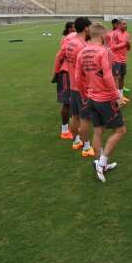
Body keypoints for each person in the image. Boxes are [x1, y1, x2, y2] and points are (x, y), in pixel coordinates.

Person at [75, 23, 125, 182]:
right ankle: (102, 163)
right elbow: (108, 76)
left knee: (98, 131)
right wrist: (117, 95)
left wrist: (84, 94)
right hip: (105, 98)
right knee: (120, 131)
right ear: (102, 36)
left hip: (91, 98)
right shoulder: (104, 51)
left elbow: (78, 78)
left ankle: (101, 163)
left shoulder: (81, 52)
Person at [54, 17, 93, 155]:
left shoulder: (70, 43)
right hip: (82, 87)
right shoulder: (83, 46)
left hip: (72, 86)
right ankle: (87, 147)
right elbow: (86, 71)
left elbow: (59, 57)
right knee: (85, 118)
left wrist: (56, 72)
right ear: (86, 28)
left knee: (75, 116)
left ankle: (76, 141)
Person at [52, 21, 75, 139]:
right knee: (67, 102)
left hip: (75, 74)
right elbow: (60, 56)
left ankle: (72, 125)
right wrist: (56, 73)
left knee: (74, 102)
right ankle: (65, 130)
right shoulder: (69, 39)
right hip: (66, 73)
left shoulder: (77, 39)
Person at [110, 19, 131, 102]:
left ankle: (121, 95)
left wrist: (128, 44)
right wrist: (124, 43)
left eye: (126, 24)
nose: (125, 25)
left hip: (123, 60)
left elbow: (128, 48)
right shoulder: (115, 34)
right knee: (116, 78)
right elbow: (112, 47)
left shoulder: (127, 34)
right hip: (116, 59)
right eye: (124, 24)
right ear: (119, 25)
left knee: (122, 77)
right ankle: (116, 98)